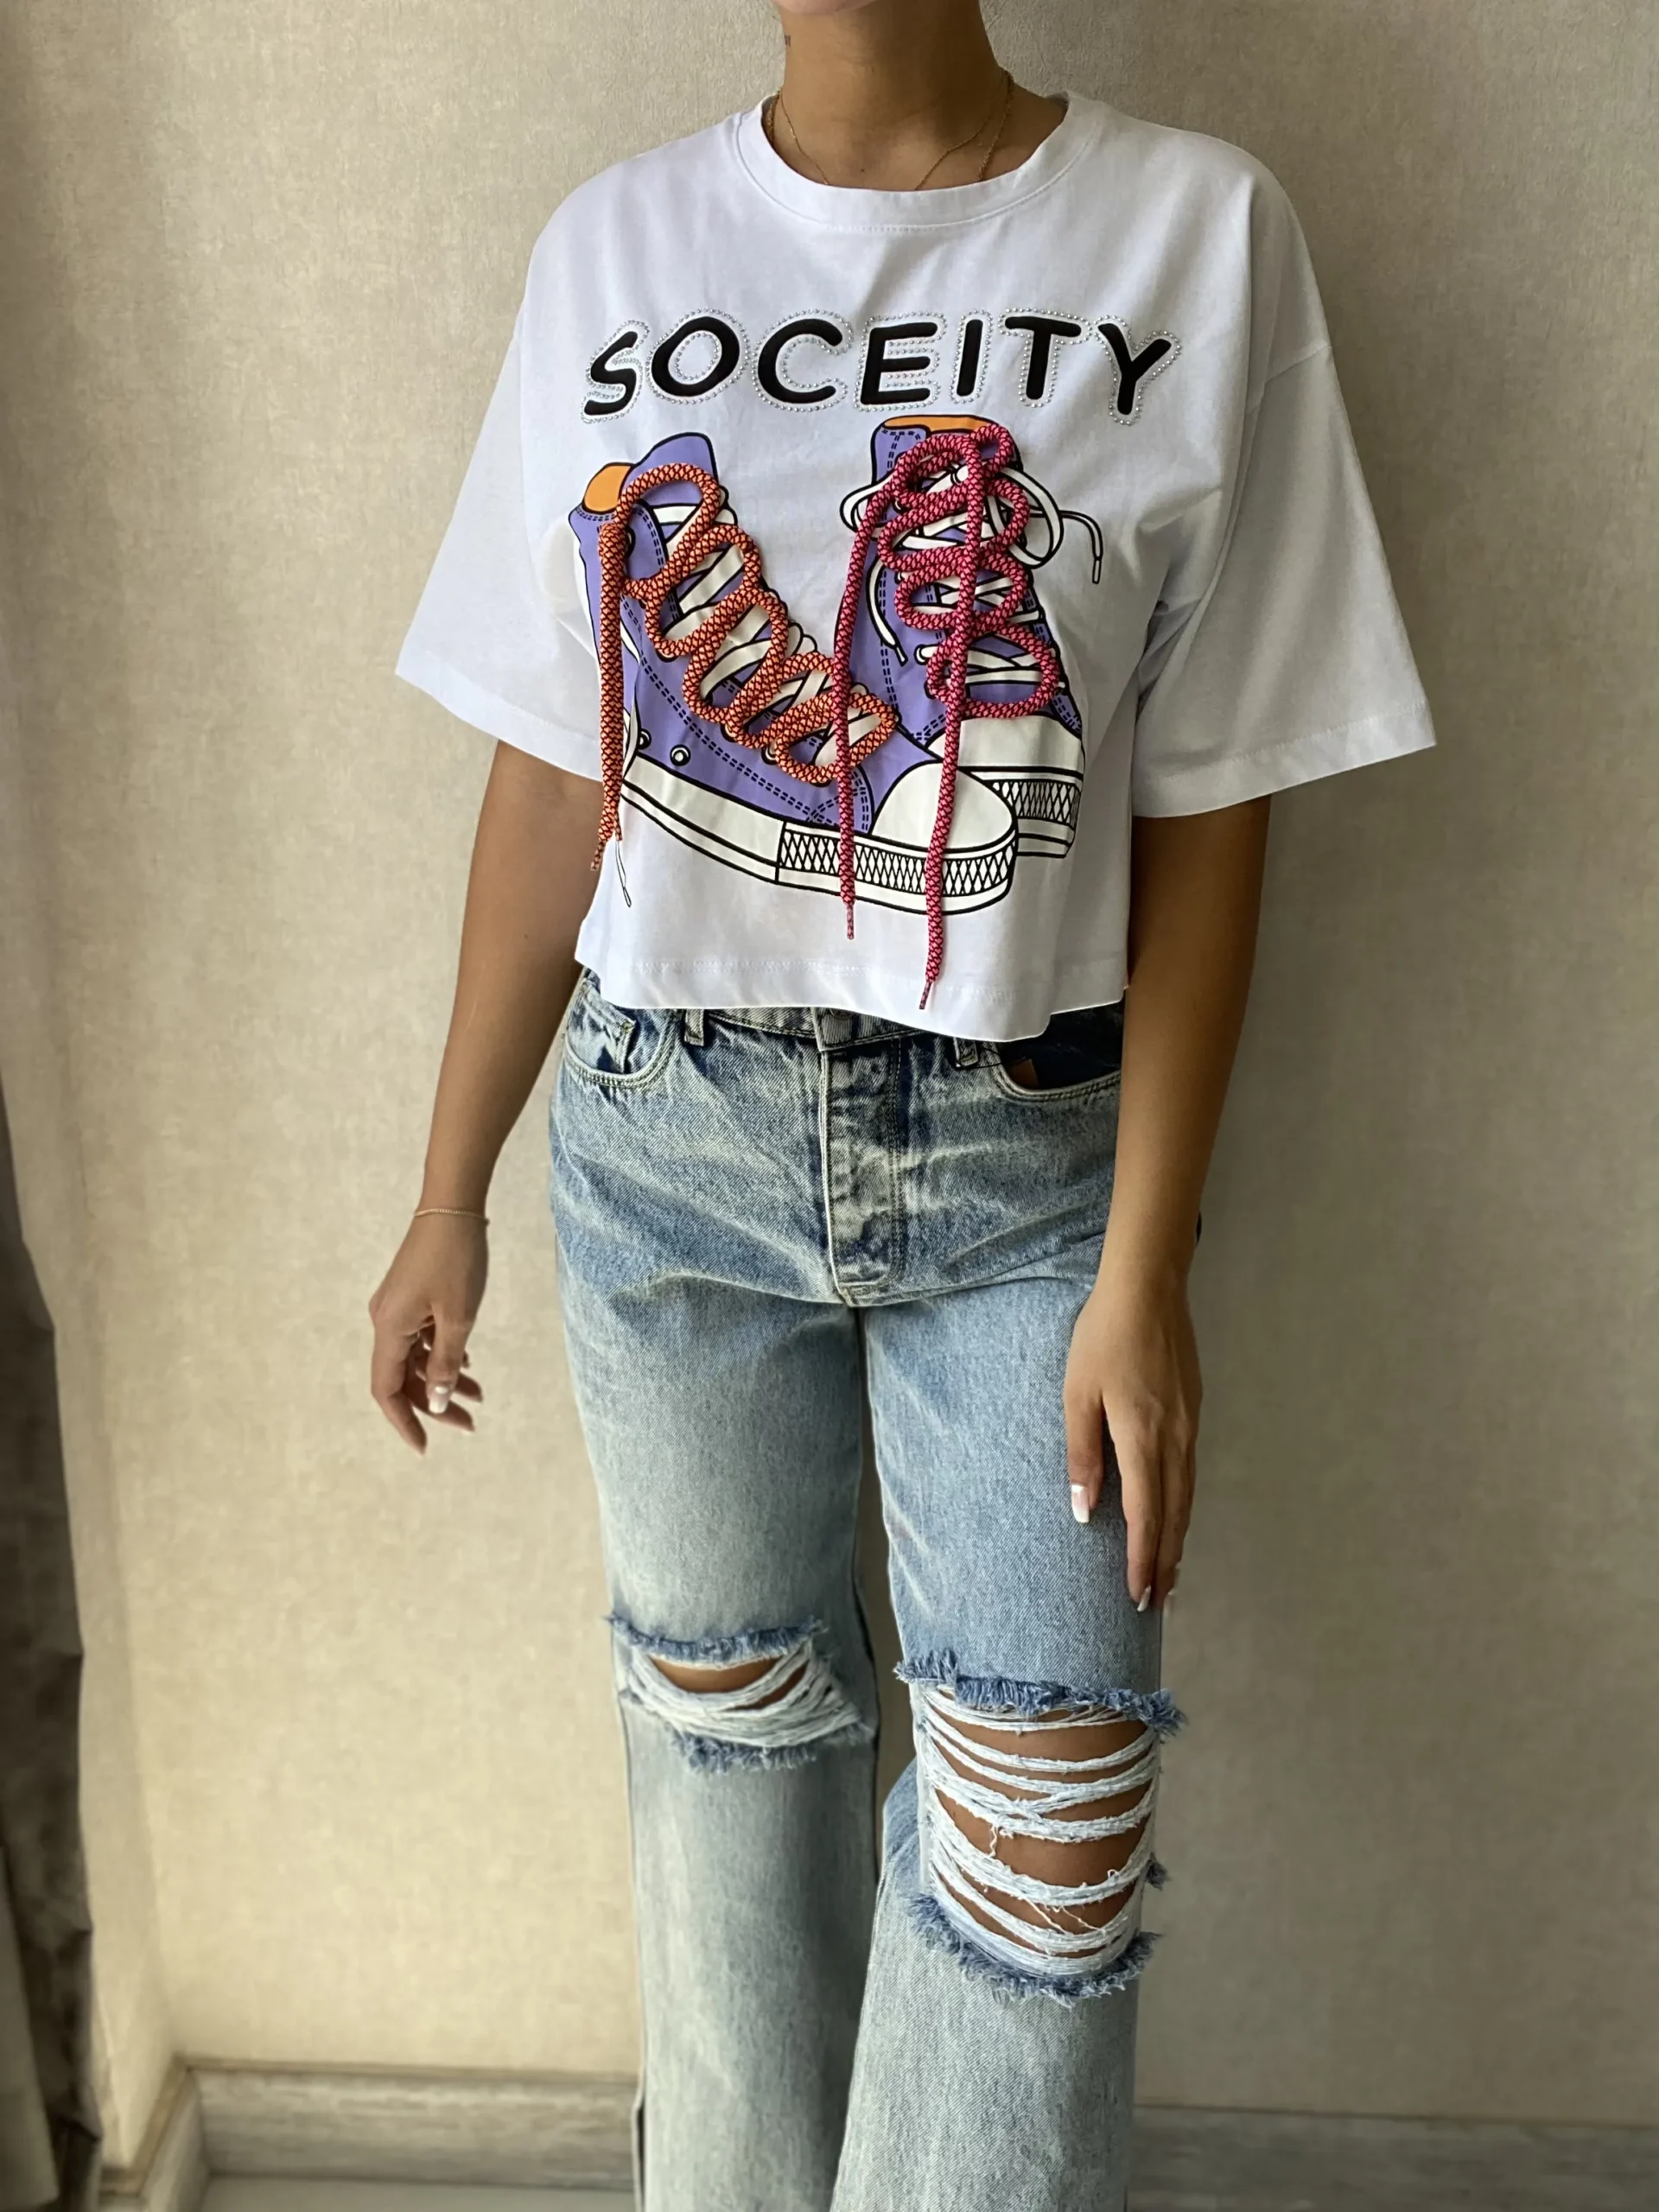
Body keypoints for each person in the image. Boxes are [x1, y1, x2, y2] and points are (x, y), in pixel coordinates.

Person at [368, 4, 1435, 2206]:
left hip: (1035, 1147)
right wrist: (444, 1184)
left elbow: (1214, 798)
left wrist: (1149, 1262)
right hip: (667, 1122)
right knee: (729, 1779)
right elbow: (559, 770)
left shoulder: (1199, 231)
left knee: (1047, 1829)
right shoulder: (611, 248)